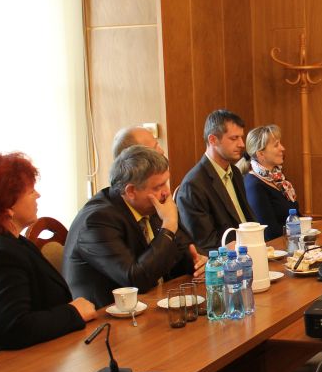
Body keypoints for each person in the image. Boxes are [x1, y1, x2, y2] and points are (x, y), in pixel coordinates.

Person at [0, 153, 96, 357]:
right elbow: (15, 329)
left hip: (42, 355)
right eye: (30, 191)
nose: (38, 195)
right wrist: (74, 312)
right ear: (7, 205)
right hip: (17, 367)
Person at [64, 146, 207, 307]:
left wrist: (197, 264)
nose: (166, 192)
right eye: (158, 187)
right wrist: (168, 227)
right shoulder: (97, 221)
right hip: (106, 314)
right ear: (131, 191)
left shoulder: (150, 207)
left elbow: (183, 252)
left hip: (149, 304)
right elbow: (135, 280)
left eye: (165, 183)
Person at [176, 109, 261, 251]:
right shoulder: (193, 185)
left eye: (241, 137)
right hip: (227, 259)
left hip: (251, 248)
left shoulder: (235, 172)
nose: (241, 144)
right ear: (213, 140)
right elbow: (204, 244)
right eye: (234, 138)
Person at [239, 125, 300, 239]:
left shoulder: (279, 180)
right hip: (275, 247)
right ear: (261, 154)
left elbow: (297, 216)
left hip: (291, 242)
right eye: (276, 145)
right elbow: (269, 233)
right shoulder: (254, 186)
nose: (282, 148)